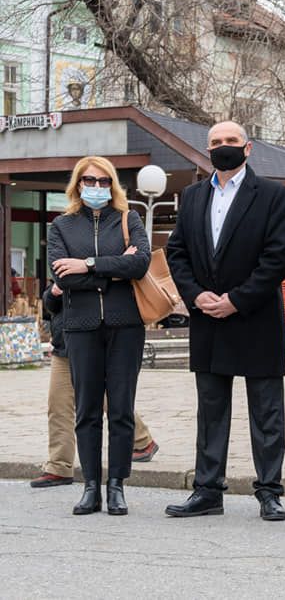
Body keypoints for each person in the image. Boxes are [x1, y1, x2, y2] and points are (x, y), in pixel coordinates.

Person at [165, 121, 285, 521]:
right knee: (211, 410)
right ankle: (207, 491)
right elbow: (177, 252)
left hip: (255, 318)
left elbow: (277, 258)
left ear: (248, 148)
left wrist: (237, 300)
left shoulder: (273, 195)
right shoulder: (192, 196)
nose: (223, 147)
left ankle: (269, 492)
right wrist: (195, 295)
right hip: (209, 320)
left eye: (230, 142)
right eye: (216, 142)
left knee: (266, 413)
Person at [47, 156, 151, 515]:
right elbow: (64, 279)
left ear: (113, 185)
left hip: (125, 326)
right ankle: (91, 486)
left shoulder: (128, 219)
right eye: (89, 180)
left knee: (121, 409)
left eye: (104, 181)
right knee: (87, 410)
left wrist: (88, 264)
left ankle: (117, 485)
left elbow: (140, 263)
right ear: (78, 184)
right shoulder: (61, 226)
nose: (96, 187)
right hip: (80, 327)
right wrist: (114, 267)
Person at [30, 282, 159, 489]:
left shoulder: (95, 262)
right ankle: (59, 467)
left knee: (107, 398)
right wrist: (52, 293)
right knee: (58, 406)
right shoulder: (63, 263)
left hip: (91, 342)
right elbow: (51, 306)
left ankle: (142, 440)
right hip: (63, 346)